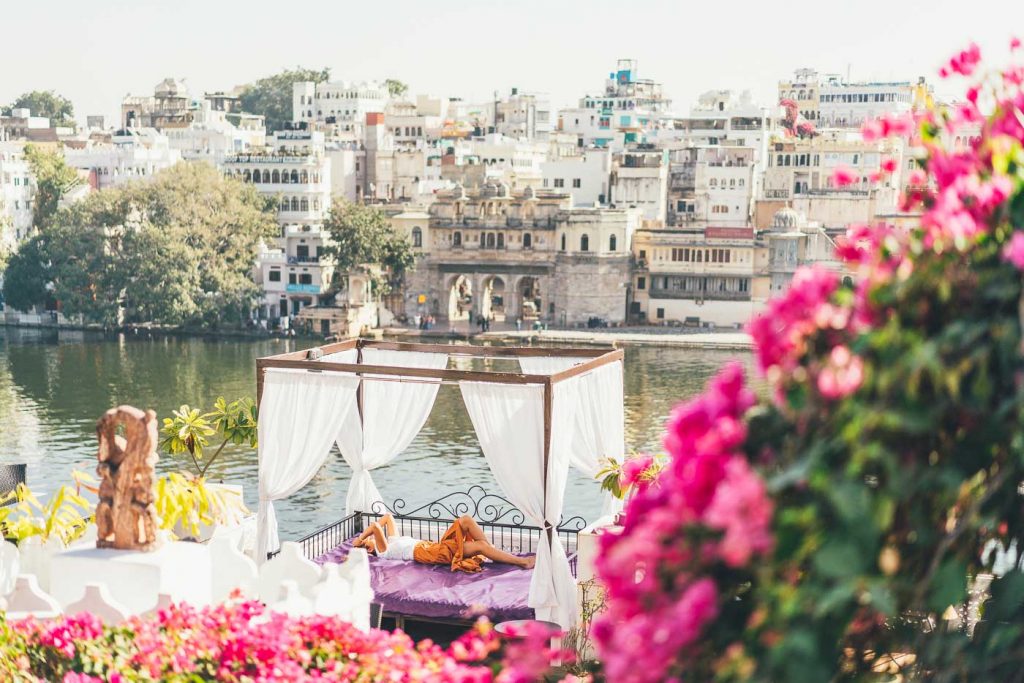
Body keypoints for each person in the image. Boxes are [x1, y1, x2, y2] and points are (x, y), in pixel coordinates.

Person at [353, 513, 535, 572]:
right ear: (371, 549)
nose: (369, 539)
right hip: (431, 553)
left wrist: (363, 540)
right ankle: (522, 562)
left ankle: (489, 551)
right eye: (368, 542)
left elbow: (387, 517)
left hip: (434, 547)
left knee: (465, 520)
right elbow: (376, 526)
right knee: (480, 545)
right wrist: (360, 540)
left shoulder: (392, 540)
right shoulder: (383, 551)